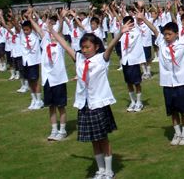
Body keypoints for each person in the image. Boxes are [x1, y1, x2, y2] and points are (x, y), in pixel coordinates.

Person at [50, 19, 132, 179]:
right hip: (85, 104)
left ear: (96, 47)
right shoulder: (79, 58)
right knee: (93, 140)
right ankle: (100, 170)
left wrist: (121, 32)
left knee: (103, 138)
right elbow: (65, 46)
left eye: (88, 47)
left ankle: (109, 171)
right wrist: (52, 32)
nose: (84, 50)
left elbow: (110, 47)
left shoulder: (102, 58)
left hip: (98, 103)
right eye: (82, 47)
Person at [140, 15, 184, 146]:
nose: (166, 37)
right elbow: (155, 31)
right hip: (167, 83)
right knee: (172, 111)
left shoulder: (183, 43)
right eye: (165, 34)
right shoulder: (162, 43)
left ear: (176, 34)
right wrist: (143, 19)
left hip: (181, 82)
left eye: (169, 34)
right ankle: (177, 132)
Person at [29, 12, 68, 141]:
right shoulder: (45, 40)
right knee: (51, 106)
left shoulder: (60, 43)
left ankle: (62, 130)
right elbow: (39, 30)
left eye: (53, 32)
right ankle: (54, 129)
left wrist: (61, 19)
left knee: (61, 106)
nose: (51, 34)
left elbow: (60, 30)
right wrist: (30, 18)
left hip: (59, 79)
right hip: (47, 80)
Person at [20, 19, 43, 110]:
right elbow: (18, 27)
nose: (25, 32)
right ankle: (33, 99)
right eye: (24, 30)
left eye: (27, 30)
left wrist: (30, 18)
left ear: (31, 29)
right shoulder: (22, 35)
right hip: (25, 62)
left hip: (33, 61)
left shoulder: (35, 35)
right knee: (29, 81)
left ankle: (39, 100)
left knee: (35, 81)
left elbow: (37, 29)